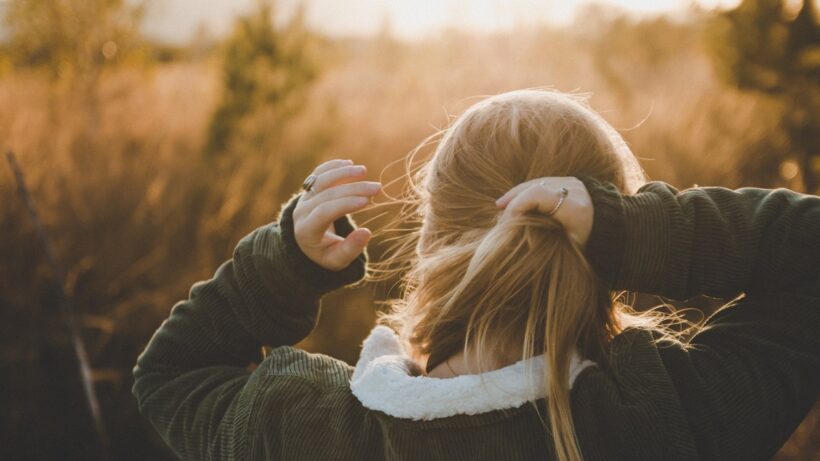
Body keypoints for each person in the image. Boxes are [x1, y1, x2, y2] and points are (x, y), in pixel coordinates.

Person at [132, 90, 819, 461]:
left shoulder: (304, 428)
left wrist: (282, 267)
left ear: (431, 240)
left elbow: (169, 373)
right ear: (598, 249)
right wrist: (630, 229)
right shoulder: (670, 414)